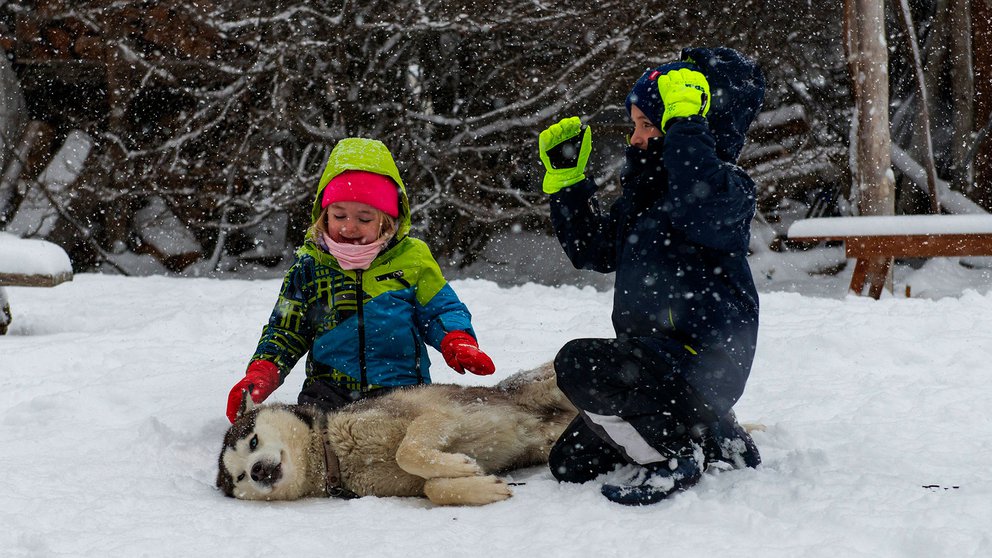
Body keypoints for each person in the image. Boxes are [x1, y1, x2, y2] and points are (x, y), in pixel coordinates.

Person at [537, 47, 765, 505]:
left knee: (578, 362)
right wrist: (568, 184)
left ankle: (674, 455)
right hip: (651, 368)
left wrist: (685, 127)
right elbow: (596, 250)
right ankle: (715, 433)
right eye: (635, 125)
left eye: (648, 125)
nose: (635, 139)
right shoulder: (646, 195)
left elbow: (697, 204)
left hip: (702, 363)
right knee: (569, 464)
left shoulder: (727, 188)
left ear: (694, 124)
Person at [225, 137, 495, 422]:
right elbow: (286, 330)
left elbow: (440, 310)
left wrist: (456, 339)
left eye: (364, 219)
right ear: (324, 214)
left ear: (387, 221)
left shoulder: (411, 259)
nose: (348, 227)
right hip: (329, 391)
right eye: (338, 215)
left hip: (402, 389)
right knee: (315, 445)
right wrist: (263, 372)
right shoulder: (310, 265)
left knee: (406, 447)